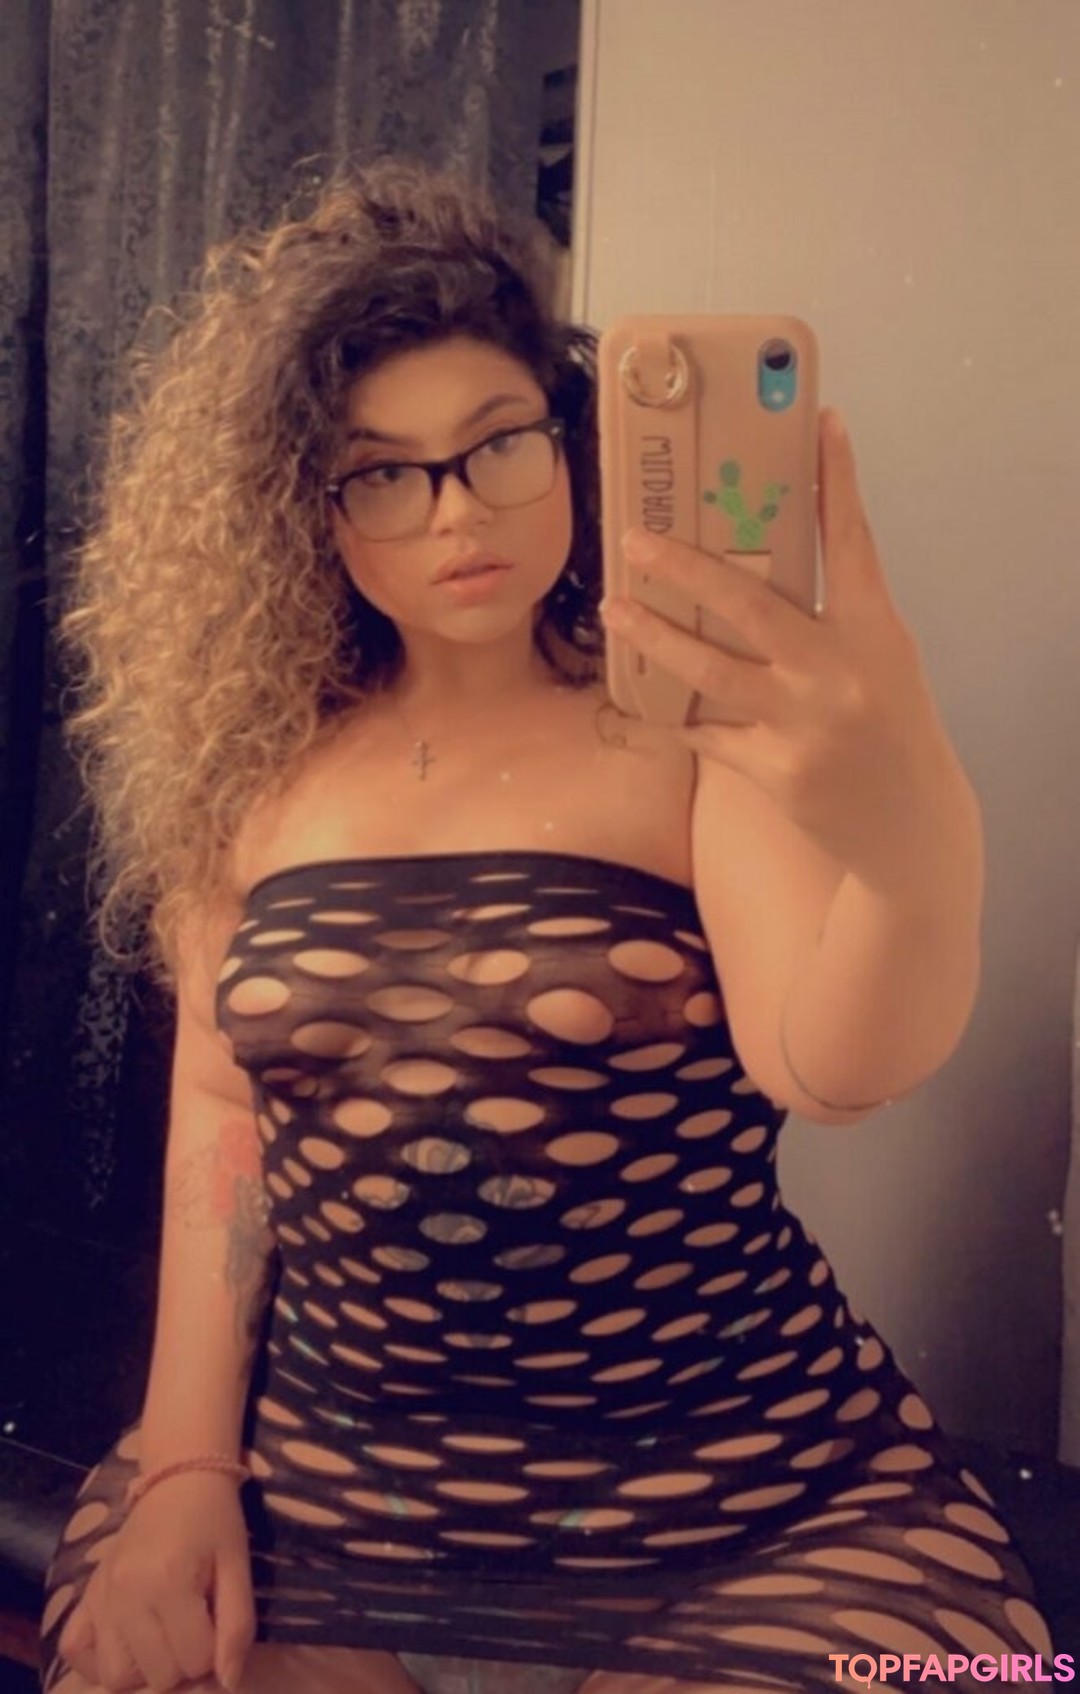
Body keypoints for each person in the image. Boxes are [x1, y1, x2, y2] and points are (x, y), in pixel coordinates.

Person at [39, 159, 1058, 1694]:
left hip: (746, 1503)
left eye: (498, 443)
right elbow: (218, 1104)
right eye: (384, 473)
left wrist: (915, 833)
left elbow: (829, 1064)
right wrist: (186, 1463)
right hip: (329, 1496)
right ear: (307, 511)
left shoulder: (685, 732)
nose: (458, 511)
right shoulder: (249, 764)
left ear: (570, 440)